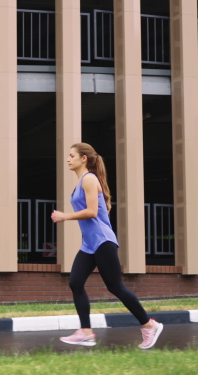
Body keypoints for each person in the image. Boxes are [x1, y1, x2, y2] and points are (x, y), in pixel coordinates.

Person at [50, 143, 163, 349]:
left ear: (84, 158)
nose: (68, 159)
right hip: (89, 244)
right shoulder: (81, 182)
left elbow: (92, 212)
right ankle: (86, 332)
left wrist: (65, 216)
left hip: (103, 241)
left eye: (72, 155)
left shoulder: (89, 179)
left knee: (115, 286)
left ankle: (149, 325)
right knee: (75, 282)